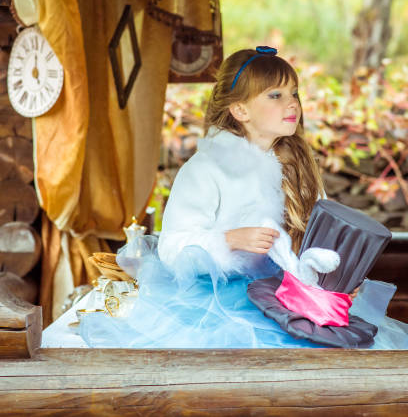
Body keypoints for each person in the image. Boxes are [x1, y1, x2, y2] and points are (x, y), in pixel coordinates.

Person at [78, 47, 408, 349]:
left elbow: (317, 244)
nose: (292, 103)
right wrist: (229, 239)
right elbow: (172, 247)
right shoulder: (206, 169)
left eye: (293, 93)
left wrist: (335, 284)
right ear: (239, 109)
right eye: (275, 95)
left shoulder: (300, 168)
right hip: (219, 304)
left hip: (289, 299)